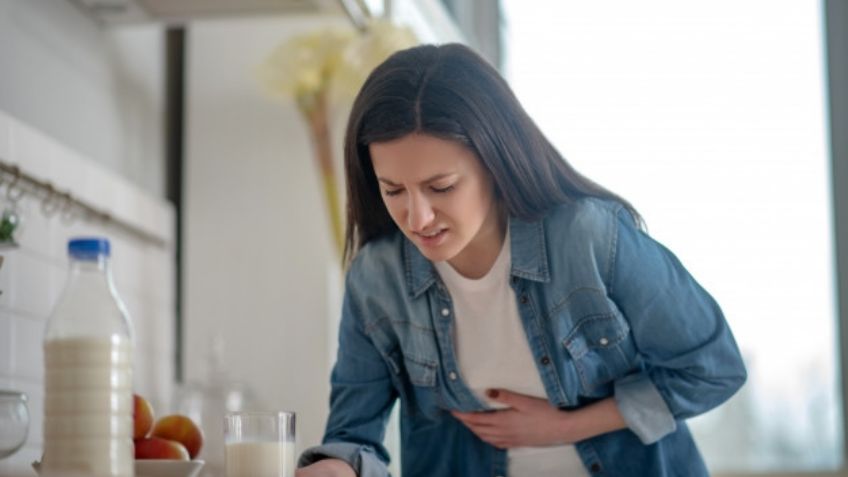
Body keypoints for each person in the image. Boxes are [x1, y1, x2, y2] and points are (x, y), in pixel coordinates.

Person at [295, 43, 746, 477]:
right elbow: (352, 437)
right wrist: (335, 467)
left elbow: (712, 368)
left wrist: (567, 425)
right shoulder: (377, 279)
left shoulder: (587, 238)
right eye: (393, 190)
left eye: (442, 186)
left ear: (494, 162)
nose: (417, 217)